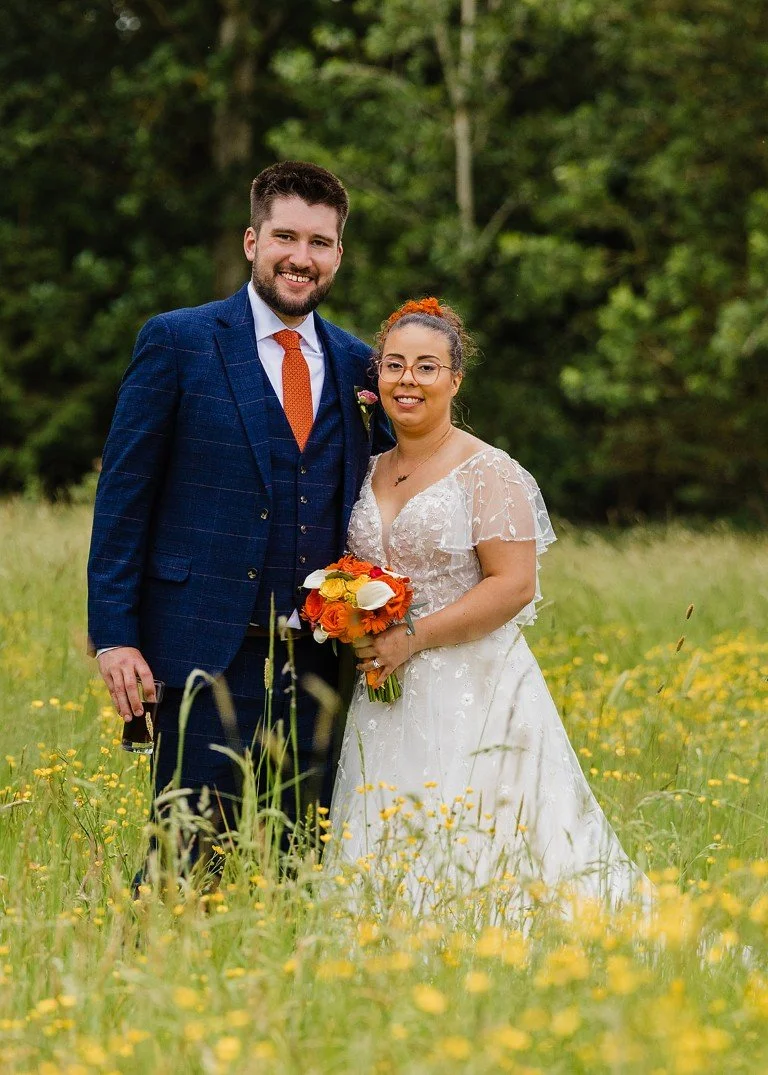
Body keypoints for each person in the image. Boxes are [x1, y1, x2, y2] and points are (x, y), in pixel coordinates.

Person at [87, 161, 393, 864]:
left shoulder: (360, 367)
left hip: (319, 662)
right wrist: (114, 636)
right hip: (199, 648)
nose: (301, 257)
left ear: (338, 255)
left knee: (297, 866)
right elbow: (123, 500)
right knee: (183, 859)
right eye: (286, 235)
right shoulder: (177, 342)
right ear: (252, 240)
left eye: (320, 242)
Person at [330, 297, 647, 909]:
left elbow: (514, 584)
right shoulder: (365, 472)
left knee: (483, 834)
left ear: (455, 379)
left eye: (427, 367)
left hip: (473, 686)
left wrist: (413, 637)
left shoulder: (489, 472)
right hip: (382, 692)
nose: (408, 380)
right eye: (394, 365)